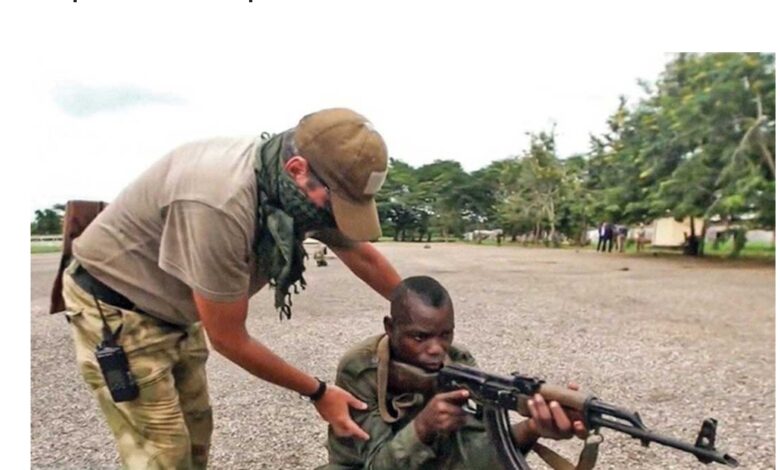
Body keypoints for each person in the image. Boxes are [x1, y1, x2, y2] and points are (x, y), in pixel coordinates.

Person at [60, 108, 402, 469]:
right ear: (297, 170)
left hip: (174, 311)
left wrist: (418, 308)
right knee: (162, 453)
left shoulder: (294, 188)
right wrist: (318, 392)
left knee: (195, 439)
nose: (336, 215)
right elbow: (228, 338)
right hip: (118, 310)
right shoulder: (220, 204)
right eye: (337, 203)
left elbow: (357, 252)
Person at [321, 276, 588, 469]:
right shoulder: (360, 369)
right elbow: (376, 465)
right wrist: (422, 427)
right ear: (390, 328)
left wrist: (533, 427)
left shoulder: (458, 360)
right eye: (419, 337)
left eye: (445, 334)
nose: (436, 349)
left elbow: (476, 450)